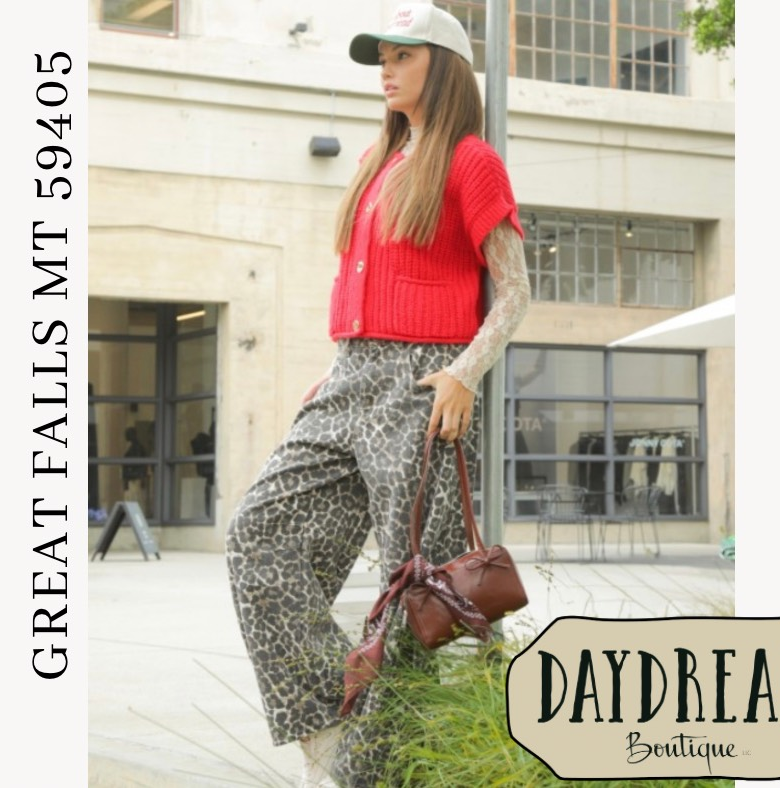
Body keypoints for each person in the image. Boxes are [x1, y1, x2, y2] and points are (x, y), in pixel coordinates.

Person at [225, 4, 530, 785]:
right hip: (350, 378)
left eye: (403, 57)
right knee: (258, 534)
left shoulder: (471, 161)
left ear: (443, 67)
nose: (387, 71)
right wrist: (341, 368)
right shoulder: (377, 159)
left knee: (415, 595)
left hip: (424, 384)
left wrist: (465, 372)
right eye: (382, 59)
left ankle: (394, 768)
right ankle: (334, 726)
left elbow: (515, 291)